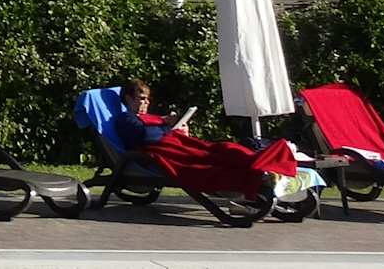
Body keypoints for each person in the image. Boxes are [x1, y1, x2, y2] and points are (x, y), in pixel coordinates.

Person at [115, 79, 304, 197]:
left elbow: (159, 131)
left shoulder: (151, 118)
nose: (146, 102)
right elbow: (145, 136)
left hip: (180, 145)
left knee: (224, 148)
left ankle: (268, 162)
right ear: (128, 99)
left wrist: (179, 130)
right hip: (167, 153)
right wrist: (165, 124)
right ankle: (261, 172)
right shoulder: (125, 119)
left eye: (147, 99)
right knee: (208, 164)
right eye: (142, 98)